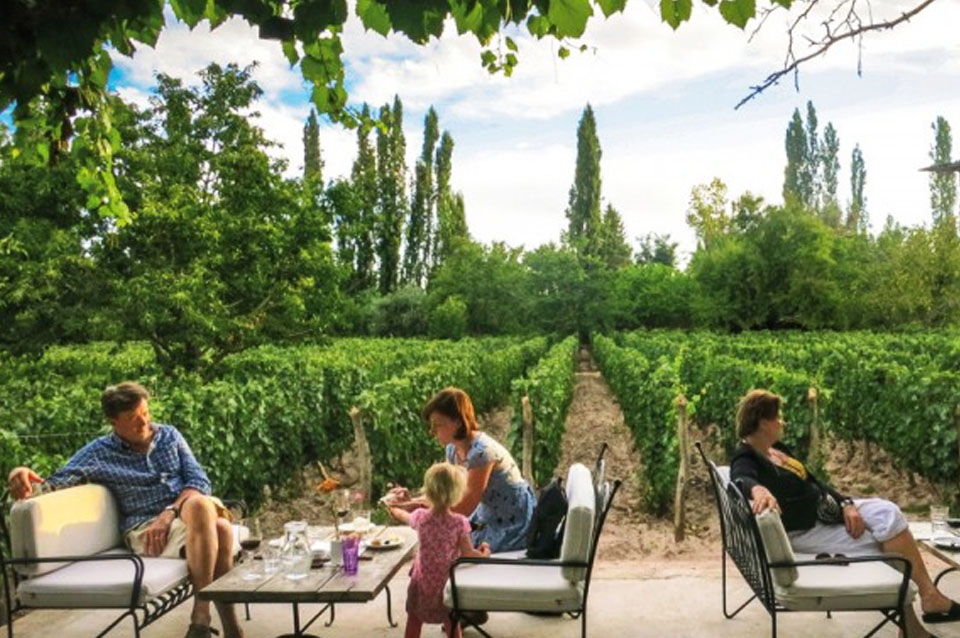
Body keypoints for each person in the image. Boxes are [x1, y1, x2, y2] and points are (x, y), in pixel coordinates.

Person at [7, 382, 243, 638]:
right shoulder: (99, 453)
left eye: (146, 413)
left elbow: (199, 481)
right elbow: (52, 484)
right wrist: (18, 473)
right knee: (221, 529)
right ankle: (228, 627)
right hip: (146, 529)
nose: (144, 423)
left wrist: (169, 513)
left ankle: (201, 616)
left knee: (199, 503)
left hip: (186, 512)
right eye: (133, 418)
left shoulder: (169, 435)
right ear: (113, 422)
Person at [731, 388, 960, 637]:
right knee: (885, 543)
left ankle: (926, 602)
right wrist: (758, 489)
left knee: (888, 512)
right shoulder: (746, 456)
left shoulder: (776, 449)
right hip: (806, 529)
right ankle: (922, 612)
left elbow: (814, 482)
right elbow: (741, 477)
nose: (782, 422)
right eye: (777, 417)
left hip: (828, 511)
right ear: (763, 422)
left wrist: (846, 504)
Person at [390, 387, 536, 553]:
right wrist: (410, 502)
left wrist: (415, 511)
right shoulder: (452, 449)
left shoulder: (481, 453)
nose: (432, 431)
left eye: (437, 425)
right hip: (487, 514)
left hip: (510, 521)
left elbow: (463, 507)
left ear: (458, 422)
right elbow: (447, 493)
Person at [389, 462, 490, 638]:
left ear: (428, 491)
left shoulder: (420, 517)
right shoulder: (459, 522)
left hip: (421, 582)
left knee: (414, 620)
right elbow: (468, 554)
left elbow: (402, 515)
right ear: (457, 493)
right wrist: (484, 553)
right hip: (447, 584)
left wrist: (393, 507)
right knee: (451, 621)